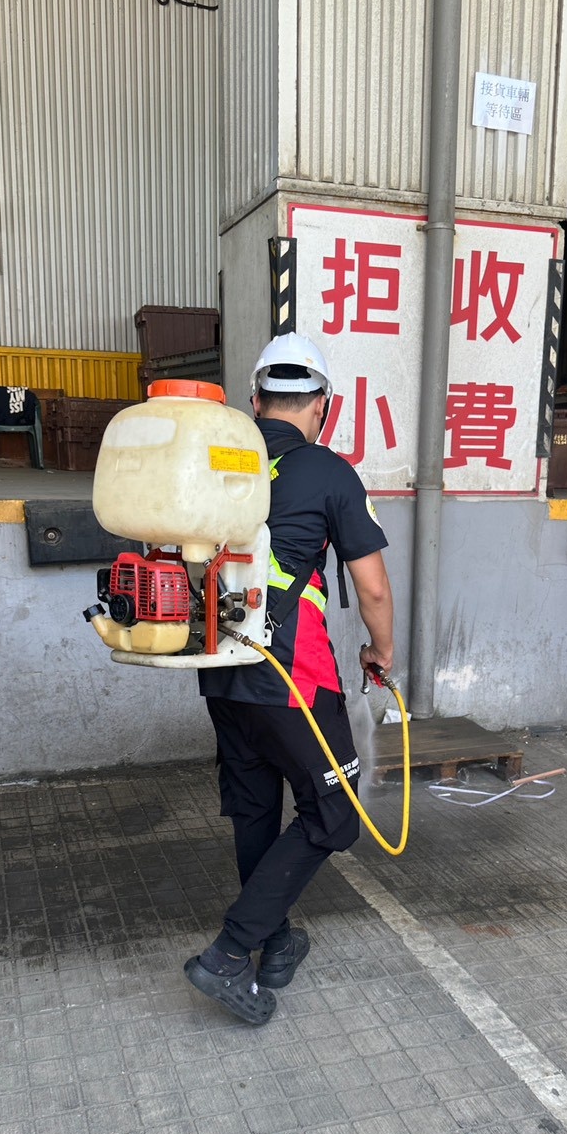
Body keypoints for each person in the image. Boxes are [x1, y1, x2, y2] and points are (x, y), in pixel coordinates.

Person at [184, 333, 394, 1026]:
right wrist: (380, 651)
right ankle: (229, 953)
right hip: (291, 676)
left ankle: (275, 945)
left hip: (221, 666)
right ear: (322, 406)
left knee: (255, 809)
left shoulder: (223, 466)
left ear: (255, 401)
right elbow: (373, 589)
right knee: (335, 813)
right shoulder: (329, 471)